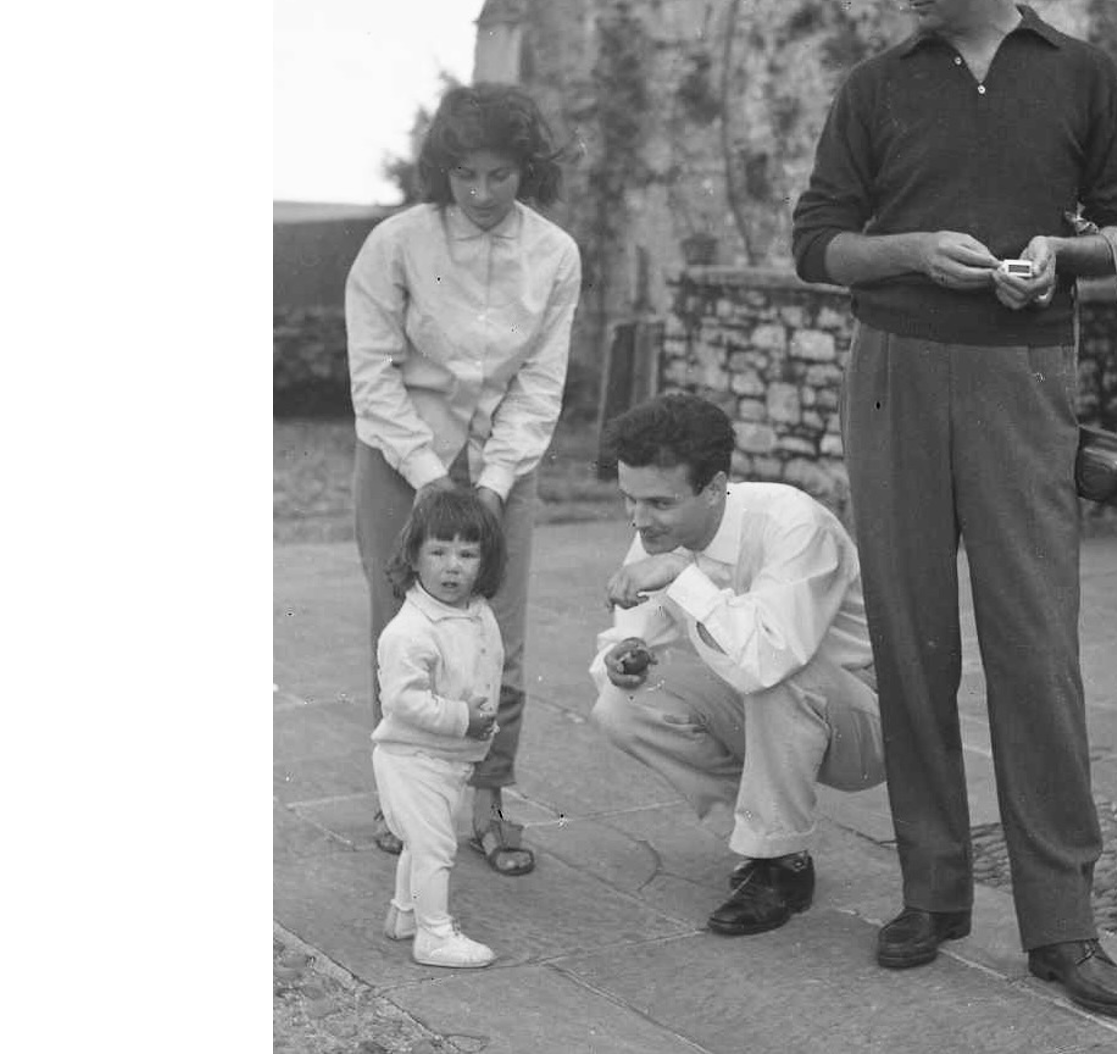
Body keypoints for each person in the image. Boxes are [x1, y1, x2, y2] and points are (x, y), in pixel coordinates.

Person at [789, 0, 1117, 1018]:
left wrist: (1066, 251)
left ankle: (1062, 922)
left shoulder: (1085, 77)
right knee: (908, 637)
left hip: (1025, 376)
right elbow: (819, 245)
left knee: (1036, 651)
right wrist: (911, 248)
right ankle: (932, 888)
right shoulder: (876, 86)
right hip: (895, 370)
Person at [345, 82, 583, 877]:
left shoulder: (554, 255)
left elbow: (541, 382)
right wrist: (424, 475)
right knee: (404, 637)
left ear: (528, 172)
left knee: (497, 644)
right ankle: (405, 802)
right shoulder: (395, 244)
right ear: (443, 171)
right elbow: (372, 374)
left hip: (499, 468)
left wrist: (498, 478)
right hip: (398, 457)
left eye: (501, 176)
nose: (481, 194)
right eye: (465, 175)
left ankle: (487, 804)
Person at [589, 393, 884, 937]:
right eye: (629, 498)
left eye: (657, 503)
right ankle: (769, 849)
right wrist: (620, 658)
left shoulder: (795, 525)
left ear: (716, 487)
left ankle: (777, 861)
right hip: (773, 708)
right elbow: (631, 633)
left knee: (775, 672)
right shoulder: (661, 533)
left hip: (865, 724)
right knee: (622, 704)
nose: (638, 519)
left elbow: (767, 661)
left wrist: (682, 575)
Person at [370, 487, 507, 968]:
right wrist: (464, 718)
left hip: (448, 758)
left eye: (468, 554)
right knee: (435, 846)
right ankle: (433, 935)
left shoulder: (475, 610)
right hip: (412, 758)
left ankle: (405, 913)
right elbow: (403, 702)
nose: (453, 566)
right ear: (414, 555)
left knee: (424, 840)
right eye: (439, 551)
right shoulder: (409, 631)